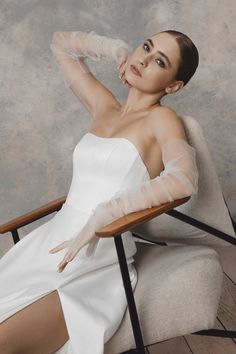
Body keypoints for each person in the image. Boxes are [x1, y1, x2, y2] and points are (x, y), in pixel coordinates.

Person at [0, 29, 199, 354]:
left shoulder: (161, 118)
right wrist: (116, 49)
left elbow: (183, 180)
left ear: (173, 85)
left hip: (99, 256)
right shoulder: (104, 106)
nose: (144, 60)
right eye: (145, 47)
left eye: (159, 61)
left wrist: (107, 213)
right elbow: (61, 45)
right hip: (48, 244)